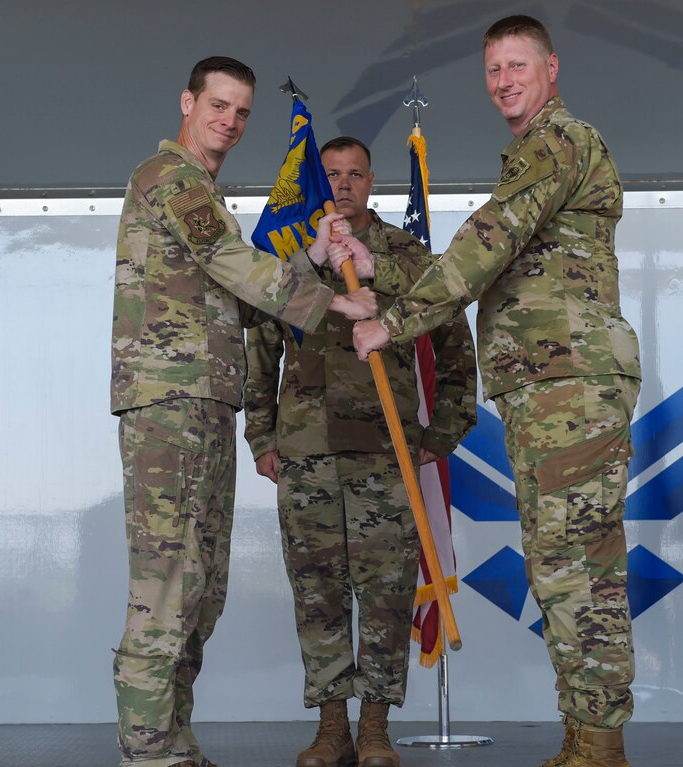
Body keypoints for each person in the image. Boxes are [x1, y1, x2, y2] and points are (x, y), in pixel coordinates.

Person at [350, 15, 641, 767]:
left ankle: (600, 744)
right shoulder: (535, 151)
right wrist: (376, 267)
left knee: (575, 562)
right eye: (493, 70)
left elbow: (488, 242)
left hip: (570, 384)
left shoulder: (558, 142)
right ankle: (584, 735)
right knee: (562, 560)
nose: (504, 81)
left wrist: (395, 321)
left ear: (551, 69)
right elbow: (492, 252)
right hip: (549, 386)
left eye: (518, 65)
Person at [110, 57, 376, 767]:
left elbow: (234, 277)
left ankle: (174, 739)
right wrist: (334, 300)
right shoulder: (169, 178)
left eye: (241, 111)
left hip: (204, 401)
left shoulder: (202, 192)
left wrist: (312, 256)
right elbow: (231, 263)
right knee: (167, 583)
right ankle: (148, 750)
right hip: (169, 402)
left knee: (201, 584)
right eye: (218, 105)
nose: (229, 121)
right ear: (188, 102)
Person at [243, 136, 477, 767]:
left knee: (385, 590)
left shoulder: (403, 255)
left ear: (372, 182)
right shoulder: (291, 261)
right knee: (317, 590)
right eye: (331, 176)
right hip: (308, 451)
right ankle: (330, 726)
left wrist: (442, 433)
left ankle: (375, 725)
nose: (343, 185)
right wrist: (262, 438)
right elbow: (261, 355)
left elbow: (455, 341)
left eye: (354, 175)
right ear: (319, 185)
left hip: (386, 448)